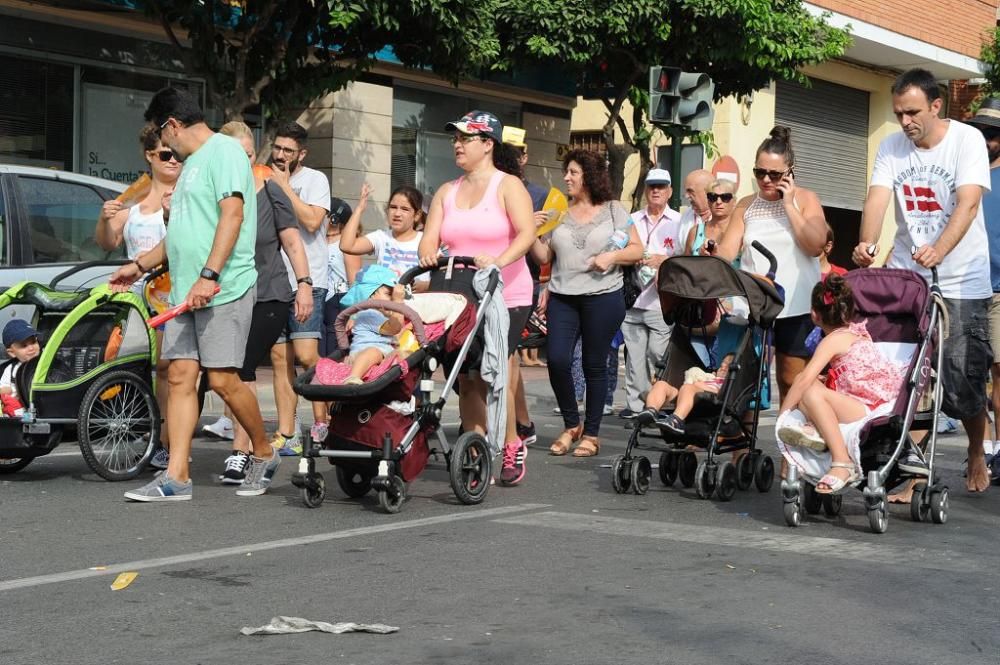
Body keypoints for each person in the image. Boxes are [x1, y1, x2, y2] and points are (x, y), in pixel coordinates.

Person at [111, 86, 278, 501]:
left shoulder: (223, 152)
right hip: (186, 292)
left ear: (171, 125)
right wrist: (140, 264)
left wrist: (209, 274)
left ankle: (263, 449)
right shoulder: (190, 169)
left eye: (162, 137)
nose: (164, 147)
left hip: (223, 285)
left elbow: (233, 214)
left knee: (222, 379)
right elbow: (181, 233)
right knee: (181, 375)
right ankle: (177, 476)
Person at [852, 68, 994, 493]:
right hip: (907, 278)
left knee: (959, 377)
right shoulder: (891, 147)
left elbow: (968, 205)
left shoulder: (966, 140)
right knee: (904, 374)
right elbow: (877, 198)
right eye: (898, 113)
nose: (905, 121)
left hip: (962, 280)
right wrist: (866, 243)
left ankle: (973, 448)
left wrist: (940, 249)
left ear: (936, 105)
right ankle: (908, 469)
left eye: (913, 112)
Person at [418, 110, 536, 485]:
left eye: (466, 138)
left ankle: (512, 441)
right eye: (455, 138)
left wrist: (498, 261)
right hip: (459, 292)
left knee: (498, 368)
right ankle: (477, 447)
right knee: (467, 377)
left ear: (488, 145)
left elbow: (527, 233)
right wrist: (427, 252)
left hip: (507, 291)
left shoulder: (507, 186)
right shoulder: (445, 191)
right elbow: (429, 237)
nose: (457, 144)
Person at [212, 121, 313, 484]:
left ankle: (244, 451)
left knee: (241, 368)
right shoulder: (218, 192)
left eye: (250, 154)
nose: (246, 160)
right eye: (238, 154)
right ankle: (245, 449)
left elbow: (292, 239)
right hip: (226, 294)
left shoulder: (270, 187)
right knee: (225, 371)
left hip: (268, 293)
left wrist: (304, 284)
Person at [531, 149, 642, 457]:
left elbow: (636, 249)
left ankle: (591, 434)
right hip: (563, 297)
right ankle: (570, 424)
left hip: (603, 297)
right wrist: (528, 231)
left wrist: (612, 256)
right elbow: (543, 257)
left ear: (590, 176)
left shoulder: (613, 211)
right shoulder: (558, 213)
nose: (566, 177)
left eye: (573, 172)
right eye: (566, 172)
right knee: (557, 360)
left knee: (594, 364)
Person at [718, 126, 827, 403]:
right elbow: (728, 250)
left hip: (797, 305)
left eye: (774, 174)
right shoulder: (746, 204)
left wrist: (789, 205)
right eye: (759, 173)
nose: (766, 180)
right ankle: (739, 444)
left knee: (792, 382)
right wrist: (712, 255)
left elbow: (815, 245)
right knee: (744, 377)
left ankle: (788, 443)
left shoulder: (806, 199)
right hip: (756, 305)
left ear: (790, 171)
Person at [95, 124, 178, 466]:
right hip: (134, 297)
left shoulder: (186, 195)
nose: (174, 161)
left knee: (167, 368)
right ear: (150, 156)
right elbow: (107, 242)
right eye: (166, 155)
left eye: (178, 155)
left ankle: (165, 441)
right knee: (132, 364)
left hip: (171, 295)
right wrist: (103, 219)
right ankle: (146, 429)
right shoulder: (133, 200)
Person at [777, 275, 905, 493]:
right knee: (815, 386)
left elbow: (803, 379)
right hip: (870, 402)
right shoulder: (857, 333)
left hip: (867, 409)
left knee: (807, 388)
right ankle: (814, 430)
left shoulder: (831, 340)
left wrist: (784, 416)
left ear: (814, 315)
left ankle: (842, 461)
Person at [266, 122, 331, 457]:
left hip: (309, 280)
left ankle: (323, 421)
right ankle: (286, 432)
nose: (279, 155)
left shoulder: (315, 180)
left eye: (288, 151)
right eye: (277, 148)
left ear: (301, 153)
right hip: (273, 282)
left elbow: (311, 221)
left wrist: (284, 186)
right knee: (280, 358)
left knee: (306, 356)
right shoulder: (262, 175)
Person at [620, 168, 683, 418]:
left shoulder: (679, 222)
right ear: (645, 189)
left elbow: (685, 256)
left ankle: (657, 403)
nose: (656, 191)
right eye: (651, 186)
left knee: (657, 355)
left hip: (661, 302)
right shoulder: (631, 219)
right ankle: (637, 409)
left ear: (669, 191)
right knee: (634, 360)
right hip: (633, 299)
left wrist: (663, 260)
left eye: (661, 186)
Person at [967, 98, 1000, 467]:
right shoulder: (967, 172)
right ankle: (982, 447)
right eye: (981, 132)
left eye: (993, 133)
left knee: (999, 372)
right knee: (967, 370)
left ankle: (998, 450)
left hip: (998, 287)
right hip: (966, 284)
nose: (986, 139)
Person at [339, 183, 427, 288]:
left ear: (417, 215)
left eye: (405, 209)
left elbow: (442, 275)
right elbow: (346, 246)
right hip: (385, 304)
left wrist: (426, 286)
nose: (397, 214)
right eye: (393, 207)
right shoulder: (381, 237)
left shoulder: (426, 240)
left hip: (418, 302)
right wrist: (359, 209)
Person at [338, 266, 406, 384]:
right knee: (373, 352)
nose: (392, 299)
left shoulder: (383, 314)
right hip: (364, 354)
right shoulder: (370, 313)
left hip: (383, 353)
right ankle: (354, 377)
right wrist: (398, 302)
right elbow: (395, 328)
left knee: (406, 355)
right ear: (371, 295)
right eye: (389, 294)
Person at [638, 353, 735, 434]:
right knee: (661, 384)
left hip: (706, 400)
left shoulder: (727, 383)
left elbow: (719, 393)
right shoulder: (709, 377)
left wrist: (698, 385)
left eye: (727, 366)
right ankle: (651, 411)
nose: (723, 367)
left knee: (687, 388)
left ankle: (676, 420)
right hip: (685, 395)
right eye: (722, 365)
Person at [321, 198, 361, 358]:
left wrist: (354, 313)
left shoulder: (345, 244)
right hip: (320, 297)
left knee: (334, 349)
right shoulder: (318, 240)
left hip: (339, 299)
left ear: (333, 218)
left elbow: (354, 280)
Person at [685, 178, 737, 258]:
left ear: (734, 202)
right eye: (713, 197)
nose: (719, 202)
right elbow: (685, 264)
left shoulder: (740, 232)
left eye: (725, 197)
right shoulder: (695, 231)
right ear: (708, 201)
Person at [0, 319, 40, 417]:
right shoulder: (10, 369)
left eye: (33, 342)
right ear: (12, 353)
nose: (31, 348)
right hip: (20, 410)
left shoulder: (44, 363)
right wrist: (11, 391)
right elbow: (3, 389)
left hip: (41, 407)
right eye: (24, 345)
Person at [677, 169, 714, 248]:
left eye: (690, 191)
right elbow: (679, 251)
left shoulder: (724, 218)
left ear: (707, 192)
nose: (686, 196)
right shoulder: (686, 215)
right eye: (686, 191)